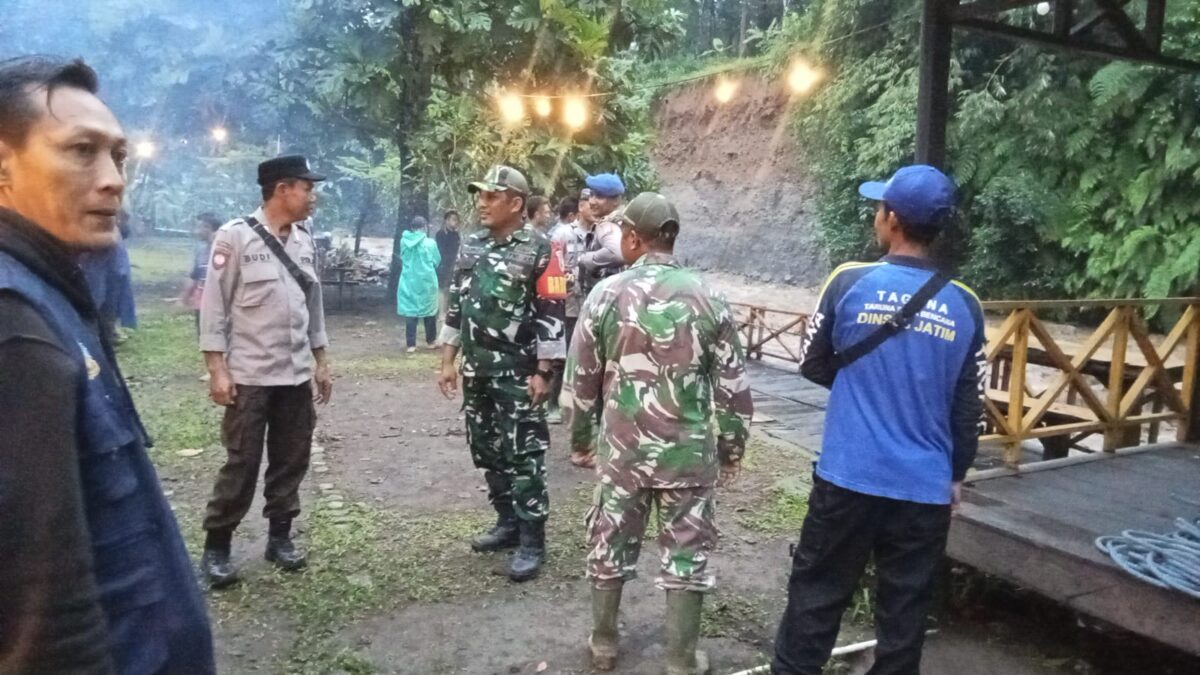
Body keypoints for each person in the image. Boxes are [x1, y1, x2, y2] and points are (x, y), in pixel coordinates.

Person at [0, 56, 214, 673]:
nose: (114, 178)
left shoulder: (50, 290)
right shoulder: (14, 324)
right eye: (81, 151)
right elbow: (43, 618)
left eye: (118, 156)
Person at [771, 165, 986, 675]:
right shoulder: (966, 305)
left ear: (890, 220)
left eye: (878, 208)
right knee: (905, 612)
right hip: (924, 489)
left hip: (848, 474)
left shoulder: (849, 281)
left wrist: (861, 388)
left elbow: (811, 360)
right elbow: (967, 403)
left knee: (817, 592)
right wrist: (957, 474)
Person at [565, 192, 752, 675]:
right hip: (687, 456)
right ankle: (680, 659)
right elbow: (732, 388)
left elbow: (582, 381)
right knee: (687, 554)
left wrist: (582, 442)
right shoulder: (709, 296)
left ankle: (604, 644)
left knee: (608, 542)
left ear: (631, 237)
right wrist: (732, 448)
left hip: (622, 453)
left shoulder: (605, 295)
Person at [198, 154, 334, 588]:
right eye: (306, 187)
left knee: (290, 459)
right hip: (251, 375)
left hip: (294, 374)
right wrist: (217, 369)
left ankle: (280, 537)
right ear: (282, 189)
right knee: (243, 462)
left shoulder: (305, 240)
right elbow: (213, 307)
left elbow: (313, 306)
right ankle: (217, 547)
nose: (312, 195)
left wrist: (321, 361)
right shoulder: (234, 238)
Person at [437, 164, 566, 582]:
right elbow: (457, 305)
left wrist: (544, 372)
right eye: (480, 195)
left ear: (515, 203)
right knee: (488, 450)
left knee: (525, 456)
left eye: (491, 196)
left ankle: (532, 540)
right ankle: (507, 523)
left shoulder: (543, 250)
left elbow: (552, 313)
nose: (481, 202)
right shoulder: (471, 246)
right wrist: (447, 360)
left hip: (519, 375)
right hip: (477, 373)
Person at [546, 195, 585, 426]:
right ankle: (552, 404)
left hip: (575, 302)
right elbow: (555, 269)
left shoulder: (579, 233)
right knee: (561, 355)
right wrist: (560, 295)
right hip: (565, 303)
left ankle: (563, 401)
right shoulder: (562, 234)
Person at [395, 214, 441, 352]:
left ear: (412, 228)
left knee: (411, 311)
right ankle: (431, 341)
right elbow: (437, 260)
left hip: (408, 280)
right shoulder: (430, 243)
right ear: (425, 227)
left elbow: (402, 256)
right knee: (430, 310)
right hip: (427, 281)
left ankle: (411, 345)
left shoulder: (404, 241)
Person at [577, 173, 626, 298]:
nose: (592, 201)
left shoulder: (607, 225)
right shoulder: (624, 222)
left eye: (599, 196)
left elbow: (616, 253)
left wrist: (586, 259)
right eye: (591, 195)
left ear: (615, 201)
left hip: (608, 298)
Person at [181, 212, 223, 334]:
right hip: (201, 301)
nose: (196, 231)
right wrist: (185, 297)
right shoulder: (201, 251)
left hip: (218, 302)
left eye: (200, 227)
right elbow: (195, 276)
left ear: (208, 229)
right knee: (204, 336)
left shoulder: (224, 250)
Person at [435, 208, 461, 317]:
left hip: (453, 265)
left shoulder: (456, 235)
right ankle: (441, 313)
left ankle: (447, 312)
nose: (455, 222)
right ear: (446, 220)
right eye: (453, 220)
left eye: (456, 220)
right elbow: (440, 251)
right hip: (442, 265)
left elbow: (457, 250)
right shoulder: (440, 234)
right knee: (442, 289)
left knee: (450, 290)